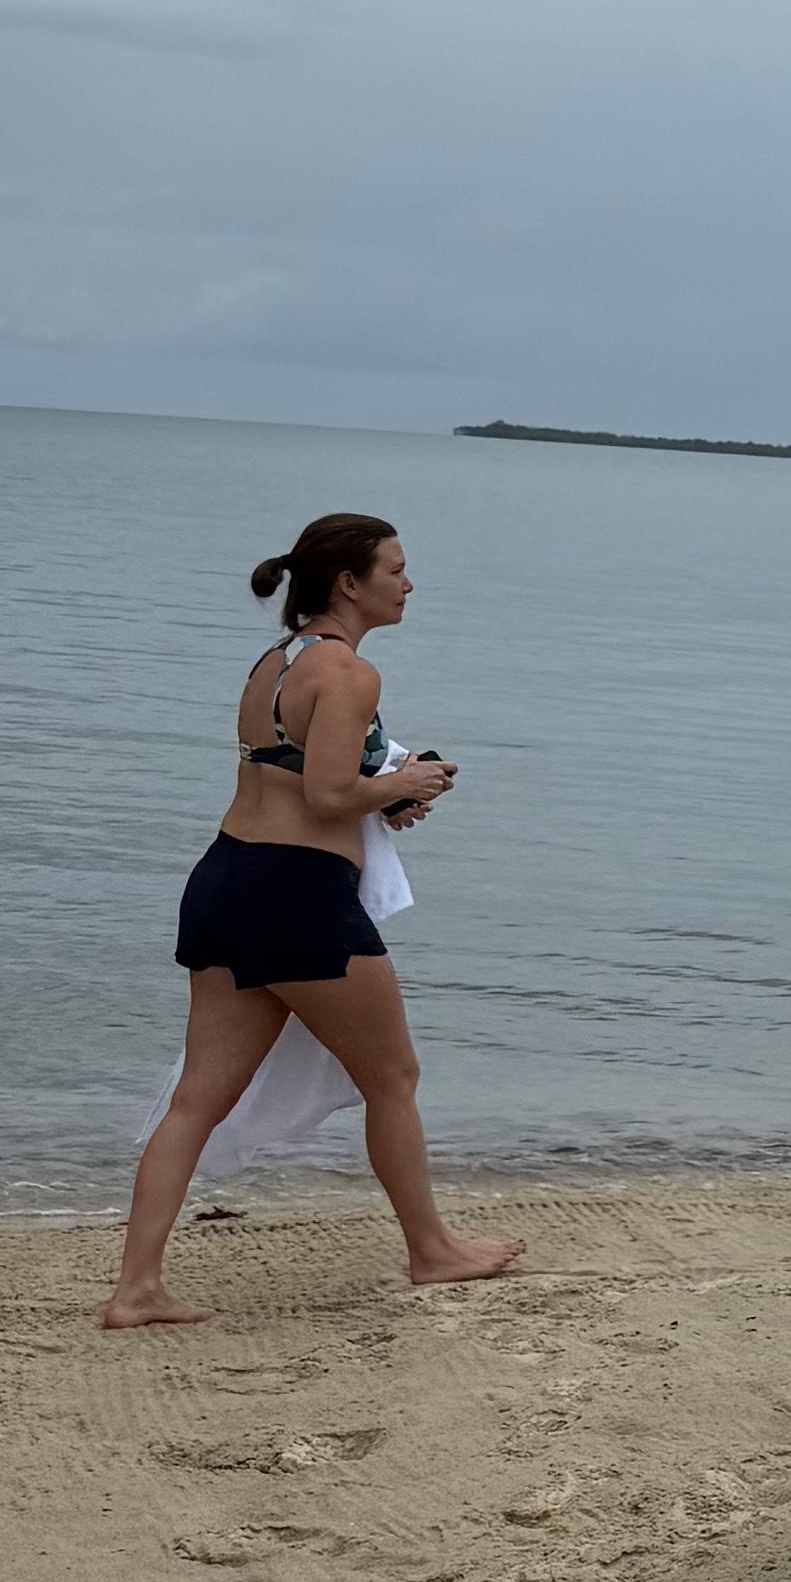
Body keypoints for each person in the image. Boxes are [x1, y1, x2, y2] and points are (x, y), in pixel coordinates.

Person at [101, 517, 519, 1328]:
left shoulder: (275, 664)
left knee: (196, 1099)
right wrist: (415, 782)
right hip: (297, 895)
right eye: (395, 570)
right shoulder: (350, 672)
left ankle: (136, 1290)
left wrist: (386, 791)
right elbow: (329, 796)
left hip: (227, 879)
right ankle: (432, 1250)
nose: (408, 583)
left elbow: (296, 777)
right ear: (348, 584)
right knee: (392, 1079)